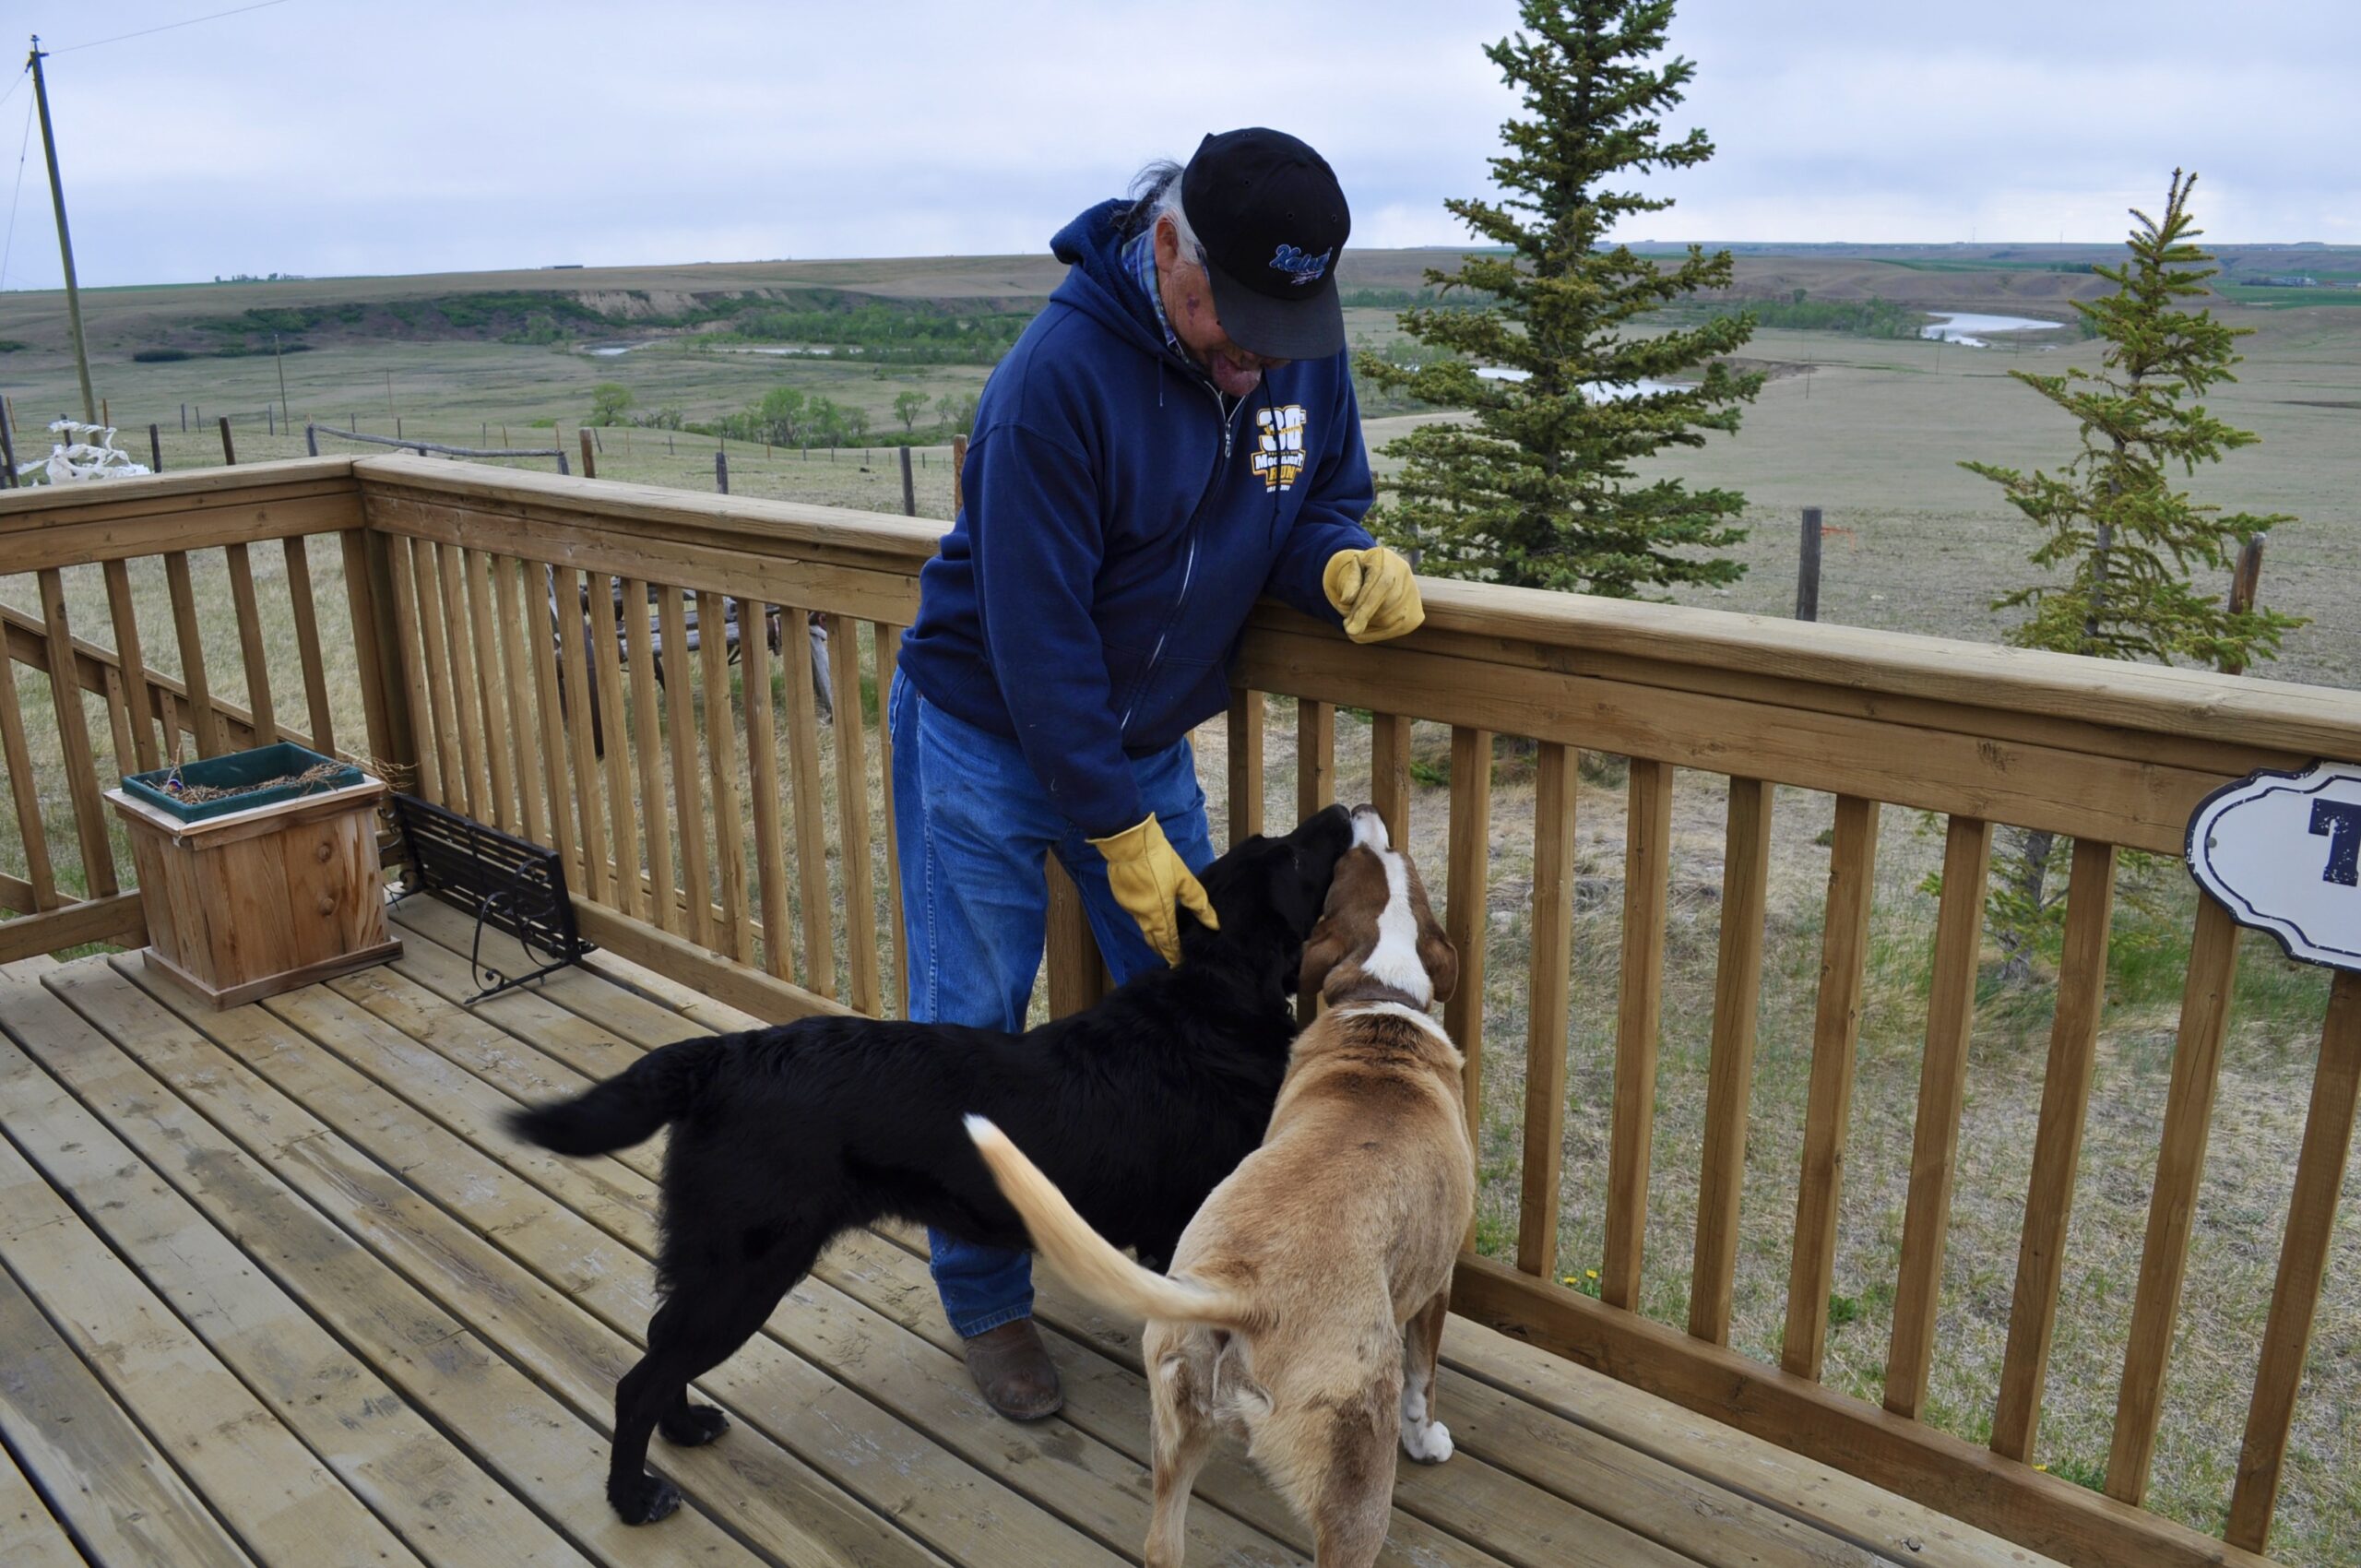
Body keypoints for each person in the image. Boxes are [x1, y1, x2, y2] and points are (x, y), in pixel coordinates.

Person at [889, 127, 1425, 1420]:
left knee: (1210, 1018)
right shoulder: (1055, 384)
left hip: (1140, 739)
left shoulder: (1293, 346)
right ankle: (987, 1305)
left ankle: (1199, 1280)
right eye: (1225, 318)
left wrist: (1338, 563)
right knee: (972, 1021)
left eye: (1278, 329)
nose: (1251, 355)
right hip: (989, 735)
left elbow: (1319, 495)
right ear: (1166, 242)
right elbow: (1038, 643)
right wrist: (1114, 825)